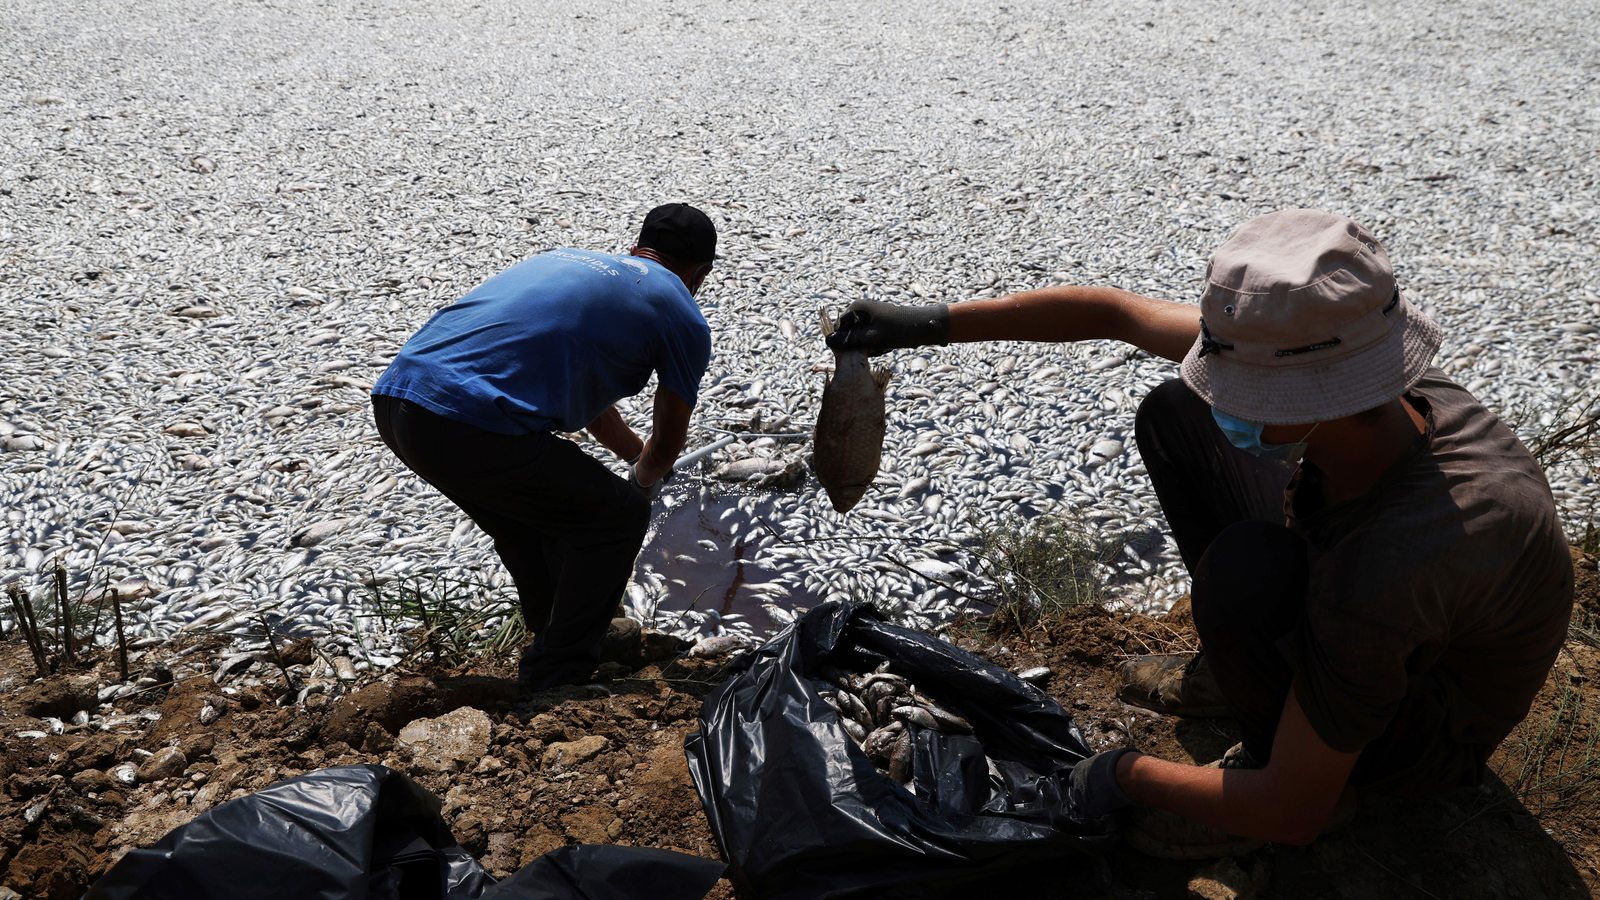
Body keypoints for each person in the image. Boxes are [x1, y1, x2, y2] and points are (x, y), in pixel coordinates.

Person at [825, 209, 1575, 856]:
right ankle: (1256, 675)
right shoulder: (1373, 386)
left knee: (1244, 573)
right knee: (1177, 410)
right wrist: (924, 324)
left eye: (1247, 392)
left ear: (1314, 395)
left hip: (1421, 739)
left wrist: (1122, 775)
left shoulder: (1392, 564)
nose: (1229, 398)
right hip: (1387, 621)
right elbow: (1113, 314)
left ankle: (1306, 757)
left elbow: (1294, 812)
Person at [370, 203, 717, 690]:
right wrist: (641, 482)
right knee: (617, 517)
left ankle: (553, 638)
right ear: (701, 271)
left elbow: (588, 398)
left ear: (637, 246)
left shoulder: (569, 260)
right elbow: (669, 442)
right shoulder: (681, 311)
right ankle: (559, 677)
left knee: (530, 525)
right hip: (469, 424)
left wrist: (630, 455)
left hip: (399, 403)